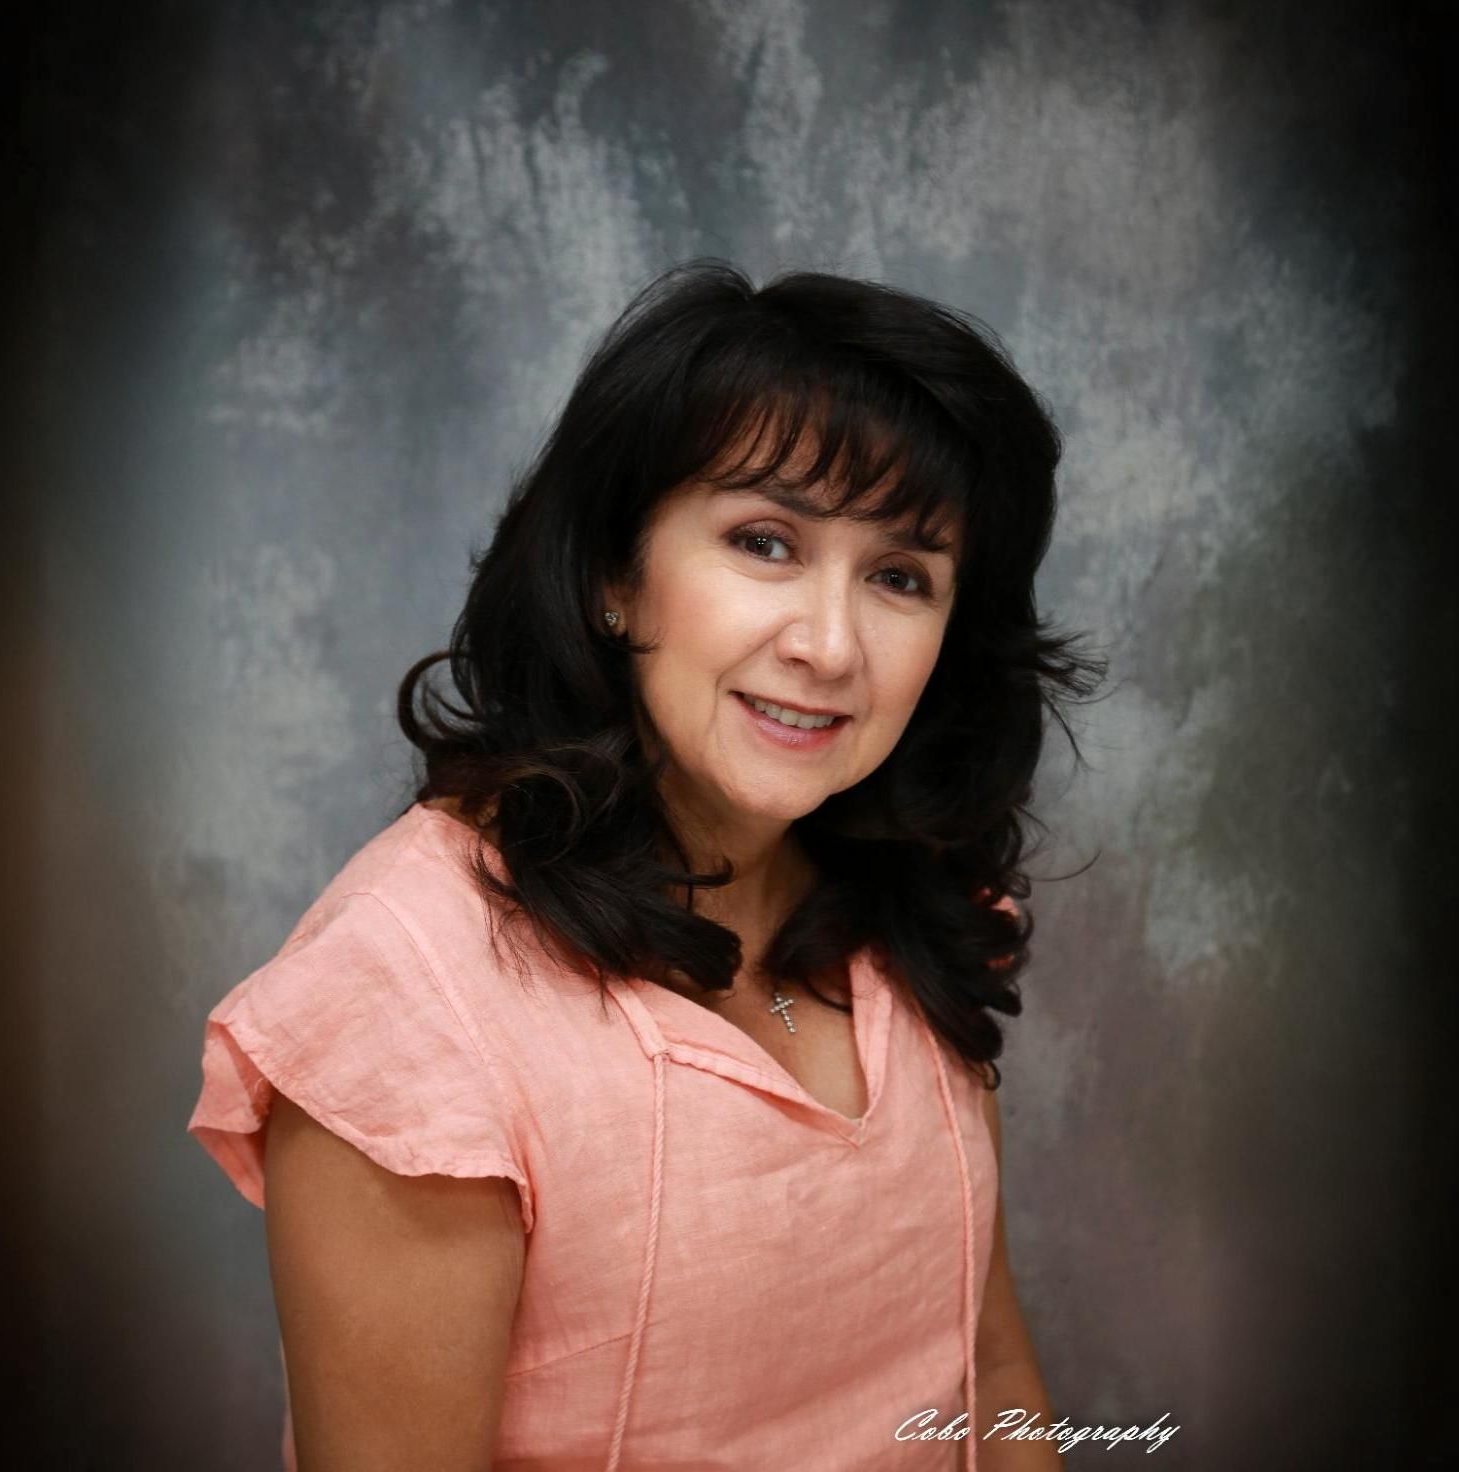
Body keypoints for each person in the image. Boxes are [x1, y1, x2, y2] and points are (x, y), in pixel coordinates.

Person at [188, 258, 1106, 1471]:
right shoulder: (407, 1002)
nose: (830, 645)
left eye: (899, 575)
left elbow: (981, 1375)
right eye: (764, 542)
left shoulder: (913, 904)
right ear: (615, 577)